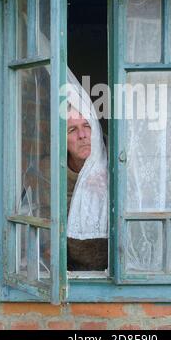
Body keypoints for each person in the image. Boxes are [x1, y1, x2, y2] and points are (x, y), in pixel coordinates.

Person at [66, 68, 108, 271]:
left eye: (87, 126)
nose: (82, 135)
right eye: (72, 130)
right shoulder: (51, 176)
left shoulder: (116, 167)